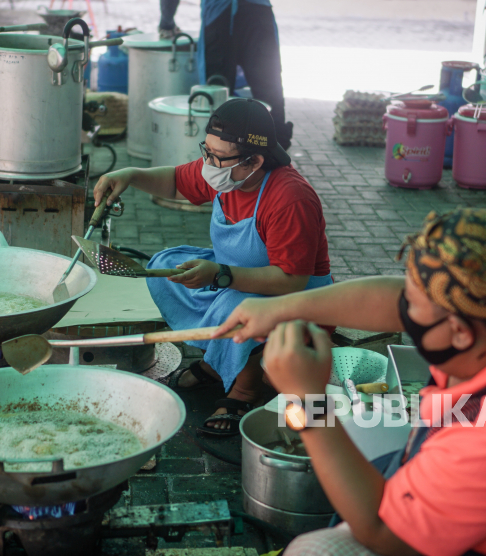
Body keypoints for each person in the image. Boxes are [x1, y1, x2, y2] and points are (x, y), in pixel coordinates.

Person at [216, 208, 486, 555]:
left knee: (313, 549)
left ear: (460, 330)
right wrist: (281, 308)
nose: (403, 311)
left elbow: (383, 533)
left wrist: (308, 401)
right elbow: (397, 301)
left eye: (415, 306)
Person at [92, 98, 331, 436]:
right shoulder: (229, 175)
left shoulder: (290, 198)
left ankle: (244, 390)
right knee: (165, 267)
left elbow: (291, 280)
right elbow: (176, 182)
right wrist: (130, 174)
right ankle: (217, 363)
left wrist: (220, 274)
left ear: (255, 160)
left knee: (236, 305)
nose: (208, 165)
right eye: (207, 152)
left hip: (299, 300)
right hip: (236, 280)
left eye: (218, 158)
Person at [198, 0, 293, 149]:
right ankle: (275, 152)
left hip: (221, 15)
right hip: (257, 14)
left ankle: (219, 154)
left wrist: (167, 22)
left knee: (218, 91)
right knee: (268, 88)